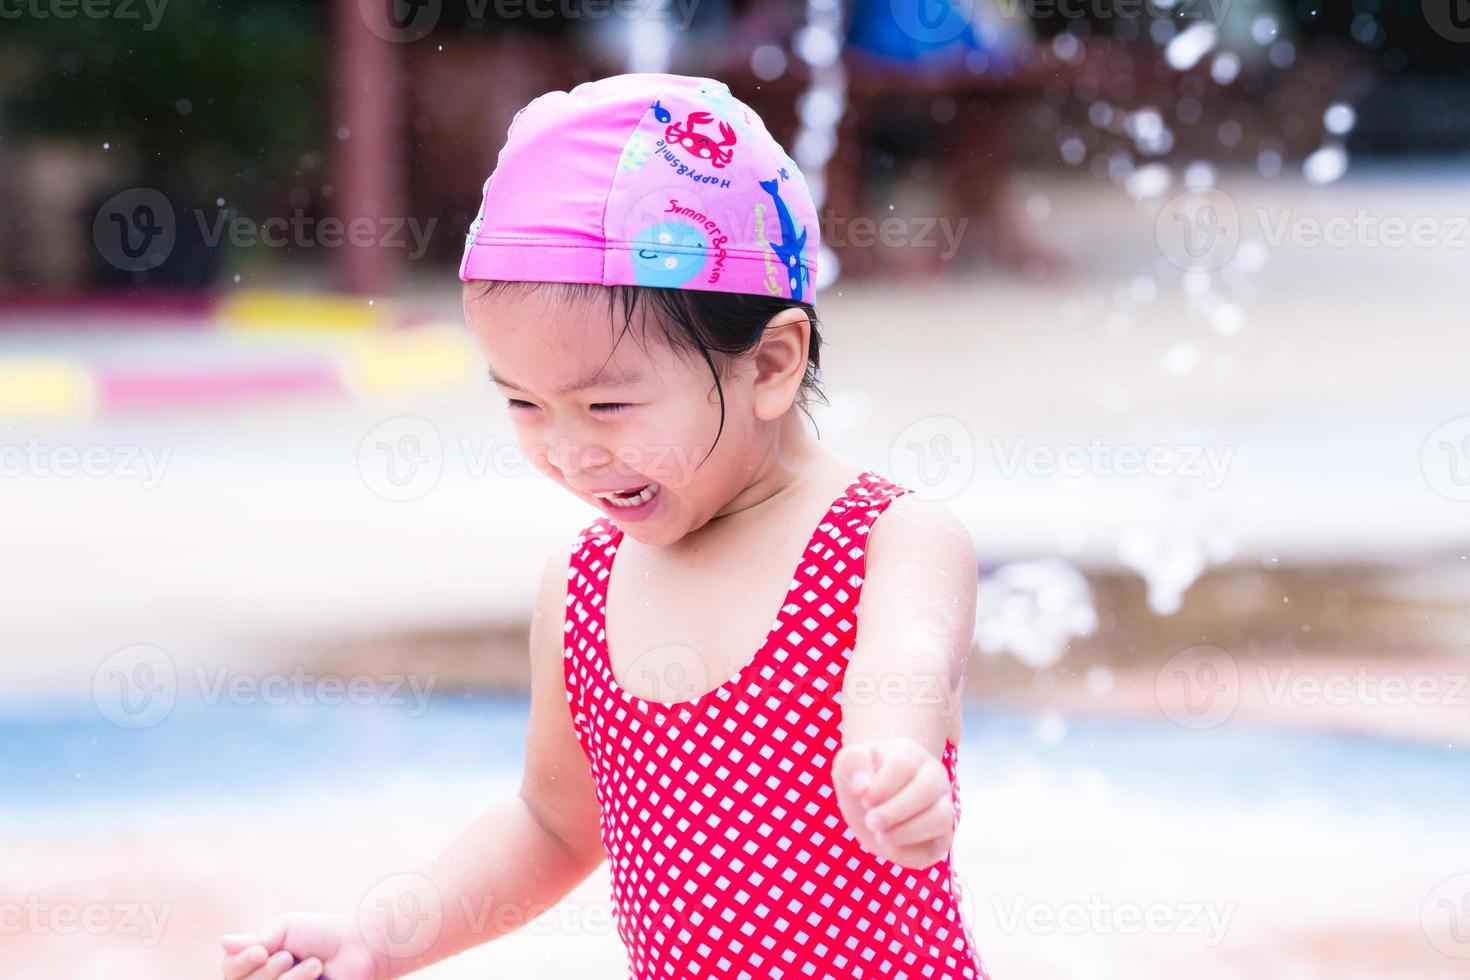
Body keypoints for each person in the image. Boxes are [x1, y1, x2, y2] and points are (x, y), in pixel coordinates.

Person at [218, 72, 988, 980]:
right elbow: (550, 825)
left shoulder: (889, 541)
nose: (570, 452)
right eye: (525, 404)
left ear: (773, 365)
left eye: (609, 404)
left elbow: (902, 675)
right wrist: (382, 937)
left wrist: (898, 770)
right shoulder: (580, 590)